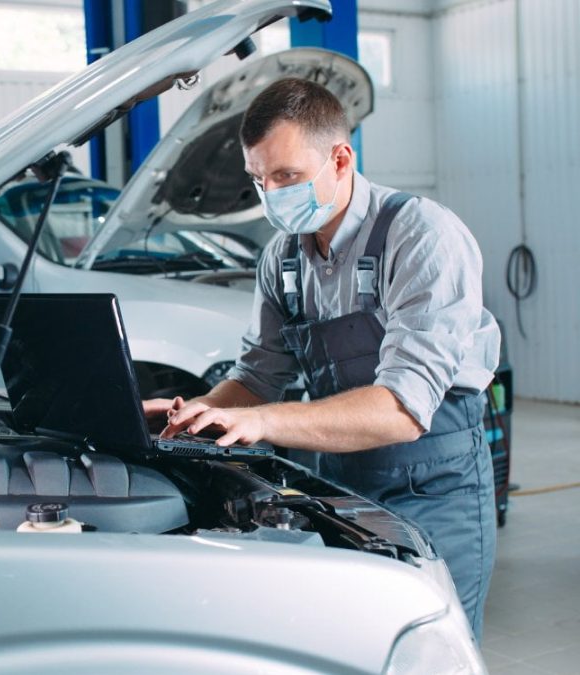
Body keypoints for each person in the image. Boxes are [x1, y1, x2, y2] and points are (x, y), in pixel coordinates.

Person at [145, 78, 499, 641]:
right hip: (338, 481)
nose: (271, 193)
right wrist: (197, 416)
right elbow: (258, 378)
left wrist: (260, 422)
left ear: (340, 158)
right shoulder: (281, 259)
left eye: (286, 176)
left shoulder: (422, 235)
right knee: (348, 643)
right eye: (259, 180)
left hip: (437, 485)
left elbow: (402, 411)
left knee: (426, 647)